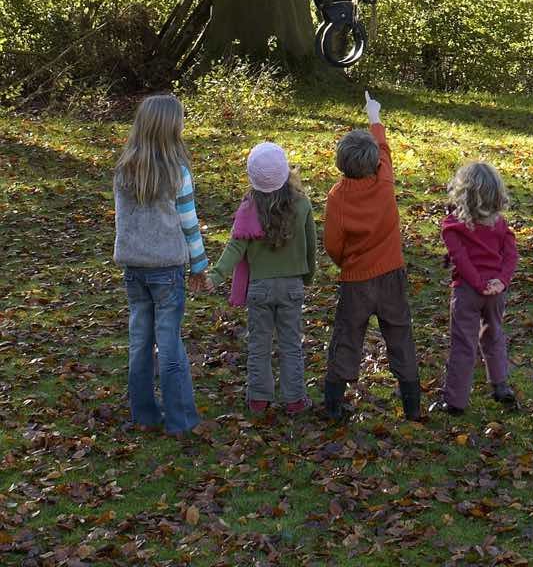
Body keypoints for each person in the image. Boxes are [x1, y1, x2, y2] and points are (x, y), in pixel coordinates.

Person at [112, 91, 210, 436]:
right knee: (169, 345)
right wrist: (199, 265)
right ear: (171, 130)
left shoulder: (124, 171)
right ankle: (181, 420)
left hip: (134, 268)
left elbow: (123, 222)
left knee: (140, 342)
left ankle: (144, 415)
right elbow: (189, 223)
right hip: (167, 270)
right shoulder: (177, 172)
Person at [322, 90, 422, 422]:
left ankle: (334, 403)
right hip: (392, 274)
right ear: (376, 163)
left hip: (356, 280)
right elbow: (385, 149)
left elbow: (333, 244)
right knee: (400, 334)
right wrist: (374, 116)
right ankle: (412, 405)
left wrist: (346, 263)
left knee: (348, 336)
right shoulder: (384, 183)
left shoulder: (337, 197)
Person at [211, 141, 318, 416]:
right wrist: (307, 275)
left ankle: (259, 397)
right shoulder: (302, 204)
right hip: (292, 285)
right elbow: (311, 245)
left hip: (259, 288)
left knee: (259, 344)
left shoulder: (248, 208)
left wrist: (217, 275)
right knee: (291, 344)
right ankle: (294, 399)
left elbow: (236, 246)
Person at [440, 160, 519, 414]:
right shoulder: (500, 225)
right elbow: (511, 256)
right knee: (494, 333)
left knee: (463, 343)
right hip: (495, 292)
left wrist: (480, 284)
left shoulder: (452, 226)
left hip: (468, 291)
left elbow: (461, 260)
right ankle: (500, 385)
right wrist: (501, 282)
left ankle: (455, 401)